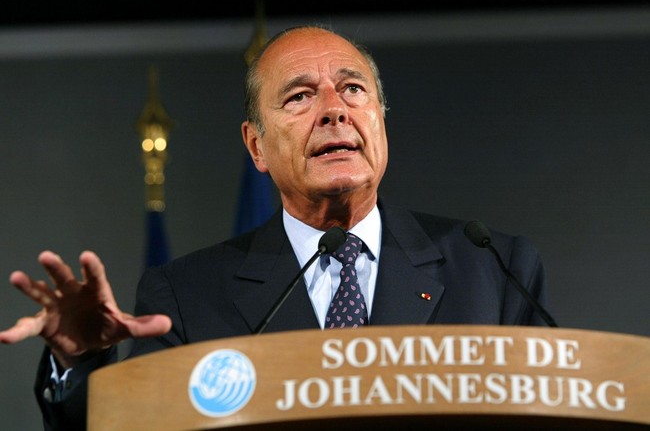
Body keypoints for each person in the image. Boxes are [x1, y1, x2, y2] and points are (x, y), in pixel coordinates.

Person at [0, 25, 550, 430]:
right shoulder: (187, 296)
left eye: (353, 90)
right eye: (300, 96)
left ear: (381, 120)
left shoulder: (493, 269)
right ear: (256, 145)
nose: (335, 111)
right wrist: (80, 365)